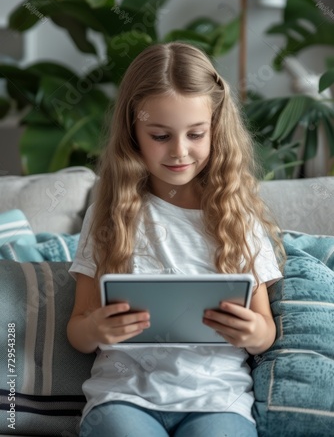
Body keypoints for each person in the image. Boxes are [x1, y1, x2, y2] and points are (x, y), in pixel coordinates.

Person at [67, 42, 285, 437]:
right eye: (161, 135)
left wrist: (253, 334)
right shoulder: (110, 211)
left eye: (196, 134)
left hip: (218, 399)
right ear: (133, 131)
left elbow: (265, 330)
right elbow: (77, 331)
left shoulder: (237, 216)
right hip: (124, 397)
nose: (180, 152)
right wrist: (97, 329)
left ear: (216, 129)